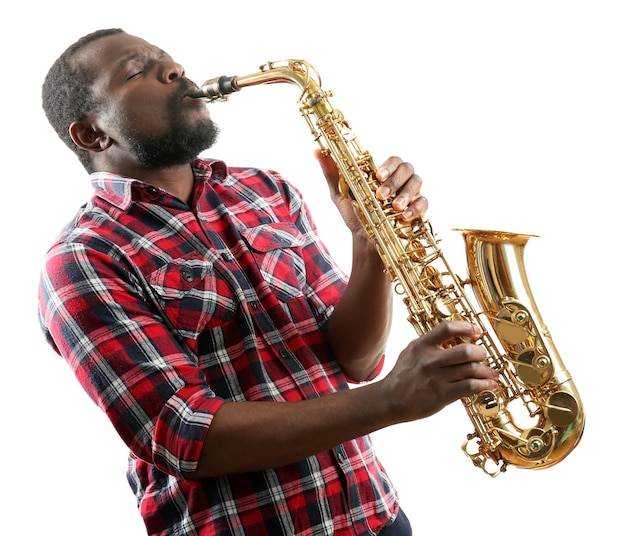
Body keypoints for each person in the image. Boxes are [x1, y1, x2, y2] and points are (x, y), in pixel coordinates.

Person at [38, 28, 497, 536]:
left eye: (167, 61)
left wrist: (372, 242)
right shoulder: (82, 260)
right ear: (92, 134)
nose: (173, 71)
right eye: (135, 71)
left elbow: (355, 359)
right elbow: (184, 435)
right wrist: (391, 400)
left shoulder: (267, 190)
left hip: (377, 516)